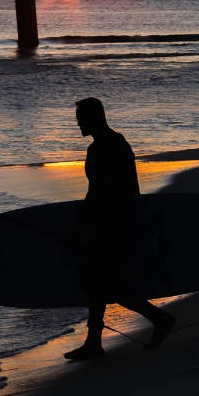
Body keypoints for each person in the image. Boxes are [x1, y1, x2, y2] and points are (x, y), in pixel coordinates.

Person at [64, 97, 176, 361]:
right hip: (107, 223)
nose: (78, 122)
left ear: (95, 117)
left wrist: (78, 230)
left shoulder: (112, 146)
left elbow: (99, 193)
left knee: (106, 285)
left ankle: (160, 318)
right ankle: (94, 342)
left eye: (81, 117)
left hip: (117, 224)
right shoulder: (100, 146)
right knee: (98, 284)